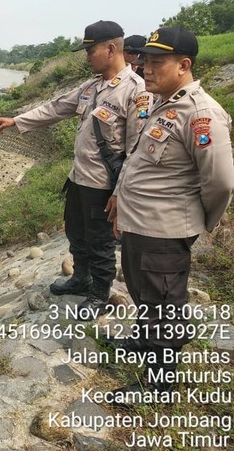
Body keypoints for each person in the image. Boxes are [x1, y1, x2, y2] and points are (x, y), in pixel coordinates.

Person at [0, 20, 151, 320]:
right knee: (76, 232)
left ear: (111, 48)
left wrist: (120, 193)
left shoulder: (135, 91)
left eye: (90, 50)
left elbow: (136, 150)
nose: (87, 56)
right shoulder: (92, 86)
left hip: (104, 185)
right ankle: (81, 278)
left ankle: (100, 293)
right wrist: (17, 121)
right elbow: (56, 107)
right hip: (79, 178)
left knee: (100, 241)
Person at [106, 26, 234, 404]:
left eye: (157, 61)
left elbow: (222, 182)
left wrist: (198, 222)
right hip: (140, 226)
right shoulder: (163, 103)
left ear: (184, 64)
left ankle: (158, 389)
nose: (145, 67)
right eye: (145, 59)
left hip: (164, 231)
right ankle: (145, 342)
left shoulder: (201, 113)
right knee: (146, 294)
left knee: (163, 306)